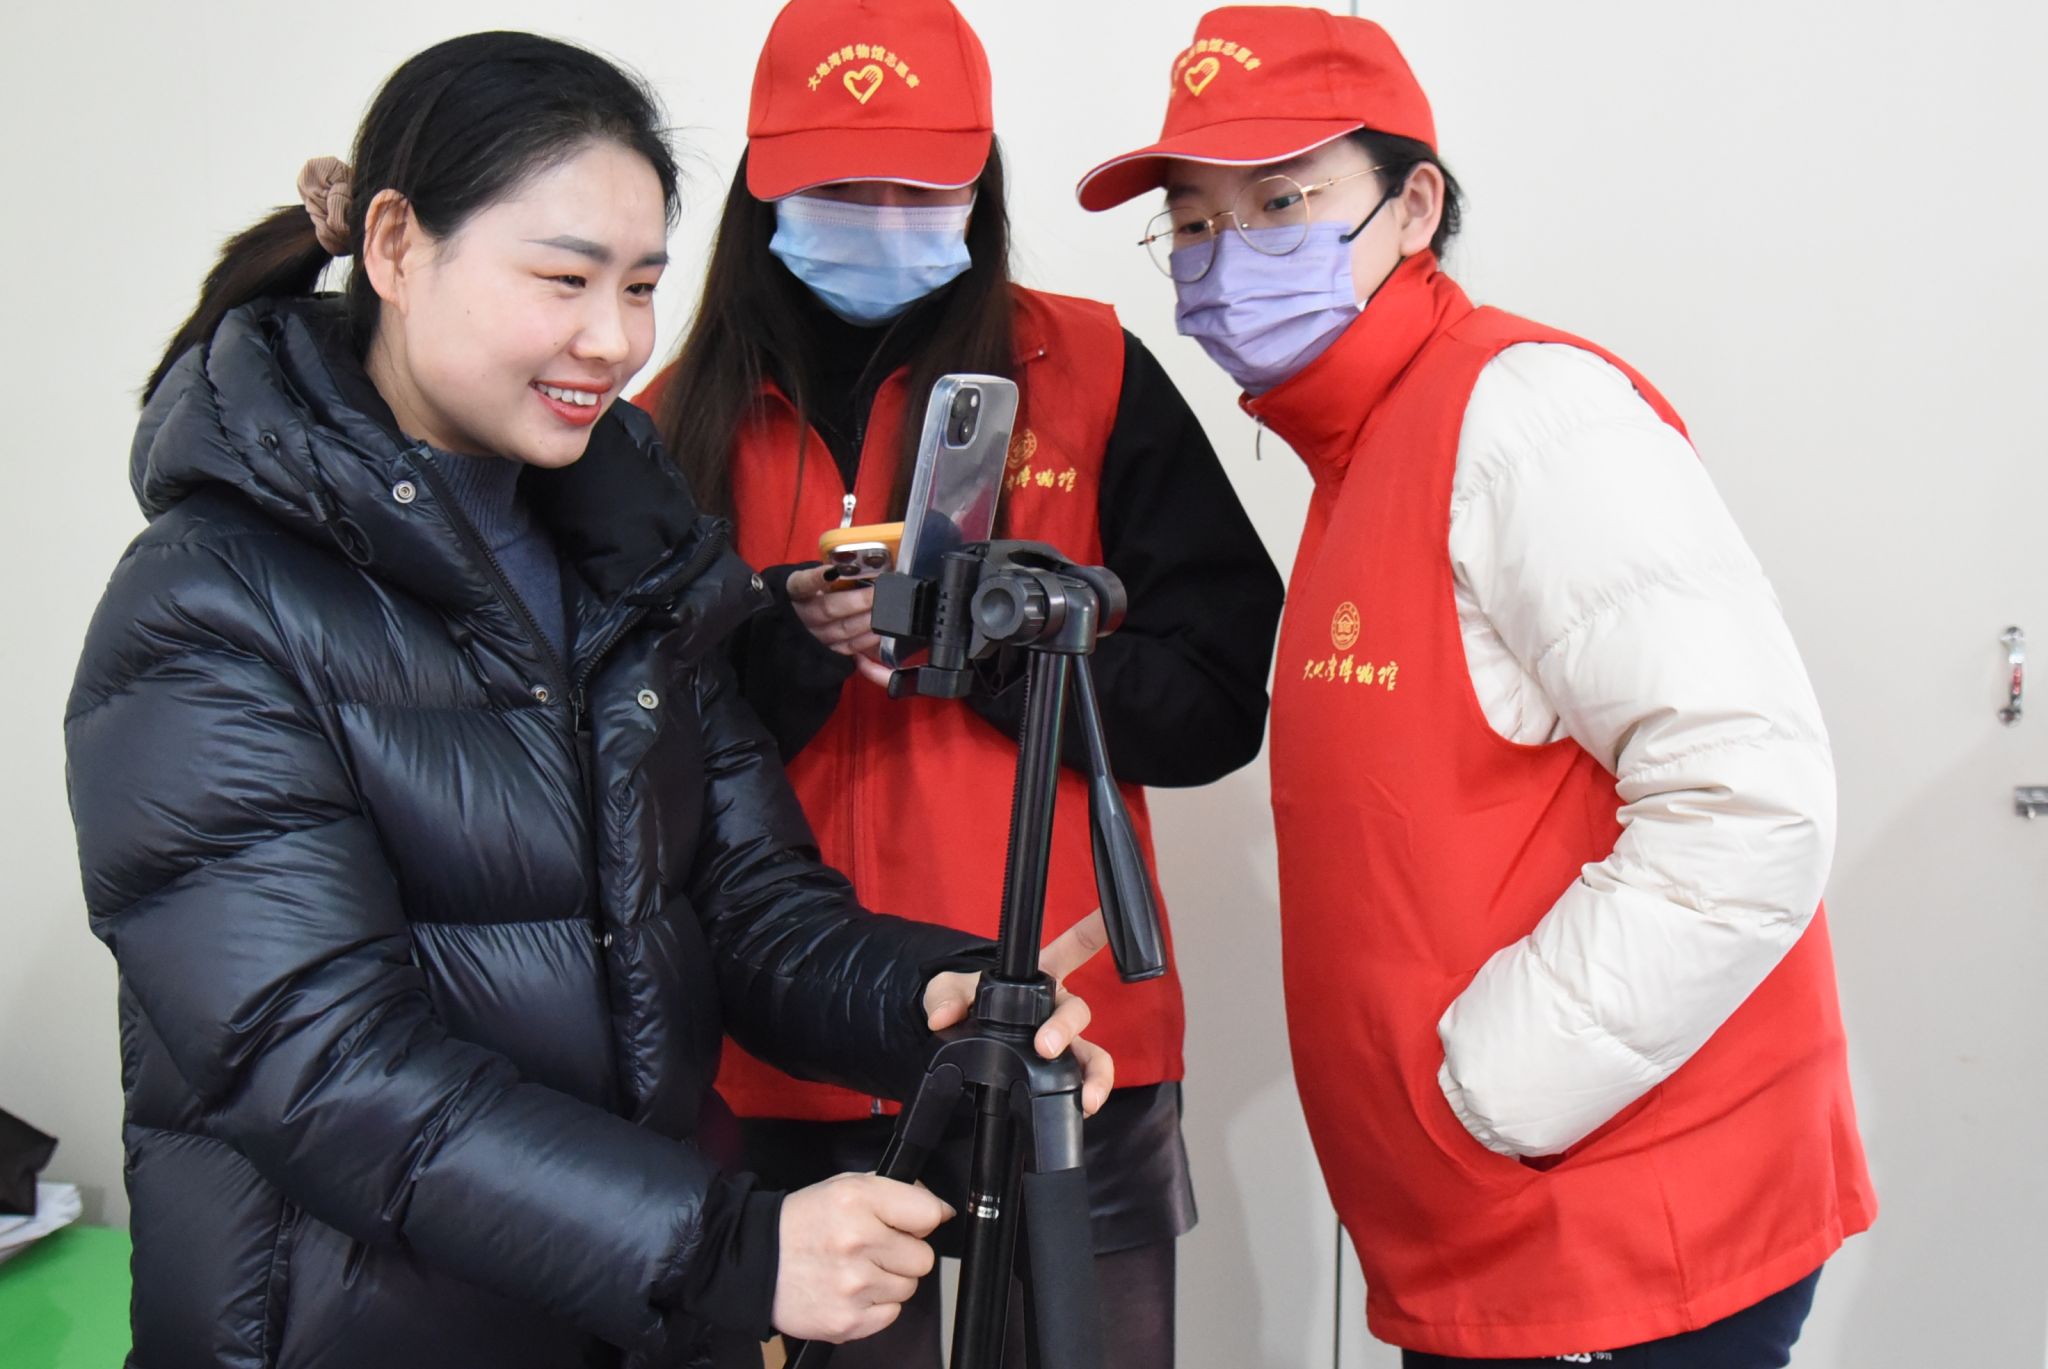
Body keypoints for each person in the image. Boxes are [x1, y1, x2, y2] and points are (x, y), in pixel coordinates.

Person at [63, 31, 1109, 1369]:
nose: (612, 340)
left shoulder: (629, 554)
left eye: (642, 286)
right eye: (563, 279)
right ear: (395, 245)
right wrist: (720, 1251)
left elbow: (745, 902)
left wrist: (935, 1004)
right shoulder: (210, 603)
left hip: (618, 1321)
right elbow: (317, 1065)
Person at [1076, 7, 1875, 1366]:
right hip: (1494, 1234)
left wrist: (1488, 1091)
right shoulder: (1362, 445)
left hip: (1614, 1232)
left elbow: (1750, 800)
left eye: (1281, 203)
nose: (1226, 258)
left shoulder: (1525, 417)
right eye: (1195, 224)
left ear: (1414, 206)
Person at [637, 1, 1284, 1363]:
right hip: (778, 1044)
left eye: (920, 190)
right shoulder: (664, 423)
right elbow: (626, 751)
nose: (883, 219)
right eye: (841, 189)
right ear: (762, 188)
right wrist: (782, 634)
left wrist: (990, 650)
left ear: (979, 184)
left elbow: (1219, 700)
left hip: (1067, 1035)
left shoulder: (1091, 371)